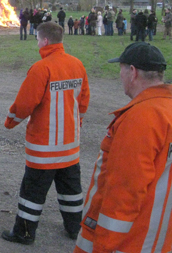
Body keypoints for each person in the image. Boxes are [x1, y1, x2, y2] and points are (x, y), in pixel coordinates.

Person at [74, 42, 172, 253]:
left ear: (133, 72)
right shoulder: (167, 109)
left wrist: (103, 246)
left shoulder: (141, 118)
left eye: (121, 68)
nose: (120, 75)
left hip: (132, 242)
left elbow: (124, 192)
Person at [2, 22, 90, 245]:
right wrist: (76, 123)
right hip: (70, 145)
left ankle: (24, 233)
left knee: (32, 192)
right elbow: (83, 101)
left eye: (37, 39)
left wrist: (10, 122)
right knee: (71, 190)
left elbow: (24, 104)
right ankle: (74, 229)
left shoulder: (41, 68)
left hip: (43, 147)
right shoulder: (77, 65)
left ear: (45, 41)